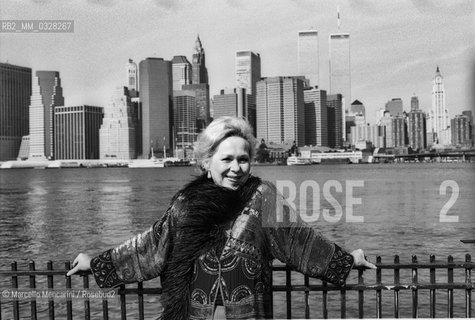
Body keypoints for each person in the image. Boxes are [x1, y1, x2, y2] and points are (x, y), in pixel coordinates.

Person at [67, 116, 376, 319]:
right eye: (226, 159)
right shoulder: (186, 204)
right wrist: (97, 263)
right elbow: (150, 247)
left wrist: (347, 260)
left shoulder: (263, 198)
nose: (236, 167)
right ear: (207, 162)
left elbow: (299, 241)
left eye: (243, 159)